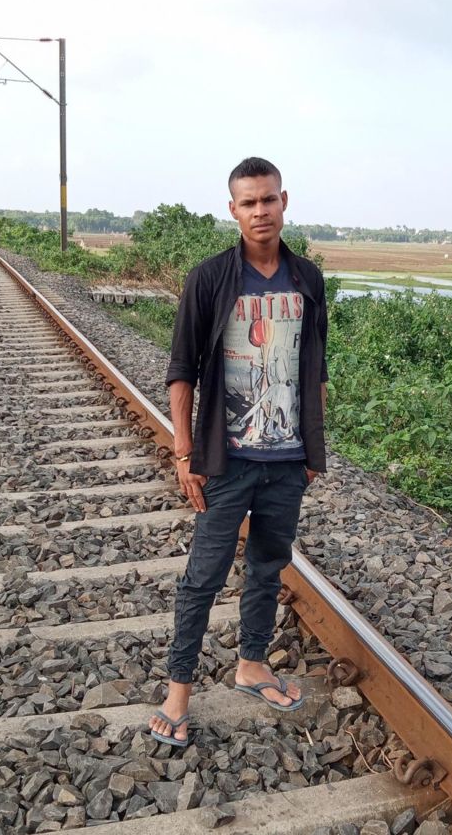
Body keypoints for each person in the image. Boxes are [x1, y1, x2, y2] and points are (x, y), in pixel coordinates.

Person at [148, 157, 328, 746]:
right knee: (203, 576)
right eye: (248, 202)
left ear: (284, 202)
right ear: (233, 210)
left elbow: (315, 369)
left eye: (268, 199)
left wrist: (313, 448)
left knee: (268, 567)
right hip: (226, 460)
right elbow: (181, 370)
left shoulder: (307, 279)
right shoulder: (209, 278)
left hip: (287, 461)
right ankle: (178, 691)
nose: (260, 211)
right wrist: (183, 453)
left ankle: (251, 665)